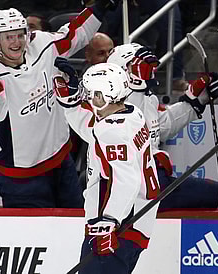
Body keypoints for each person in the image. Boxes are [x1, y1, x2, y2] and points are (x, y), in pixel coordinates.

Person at [0, 0, 121, 207]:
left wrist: (98, 8)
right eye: (9, 37)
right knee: (31, 237)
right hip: (22, 178)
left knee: (76, 228)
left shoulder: (43, 45)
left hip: (61, 162)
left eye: (20, 34)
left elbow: (74, 35)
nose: (16, 42)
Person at [53, 60, 160, 273]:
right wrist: (71, 104)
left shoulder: (111, 132)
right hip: (136, 222)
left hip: (119, 226)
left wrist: (109, 221)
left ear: (102, 97)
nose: (86, 97)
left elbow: (126, 179)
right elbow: (94, 133)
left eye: (90, 93)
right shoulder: (131, 114)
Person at [107, 43, 218, 209]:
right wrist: (136, 86)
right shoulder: (109, 105)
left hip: (153, 182)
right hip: (133, 187)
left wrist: (195, 100)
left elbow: (162, 127)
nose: (149, 70)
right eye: (139, 65)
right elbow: (127, 122)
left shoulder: (147, 98)